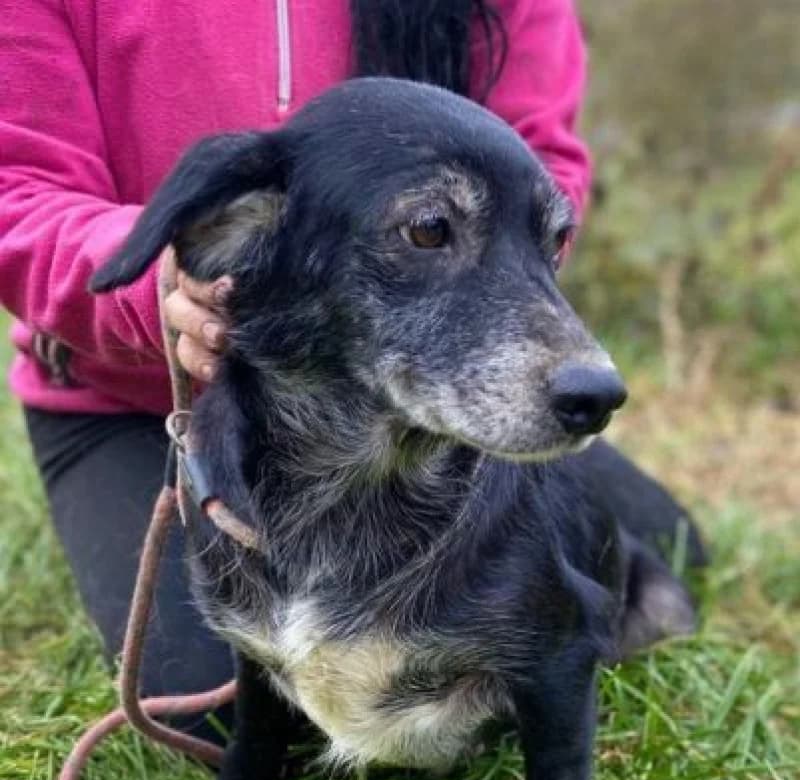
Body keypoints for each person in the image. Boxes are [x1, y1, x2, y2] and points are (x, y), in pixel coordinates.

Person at [0, 0, 591, 739]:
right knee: (220, 711)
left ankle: (553, 444)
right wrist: (156, 281)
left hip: (409, 406)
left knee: (539, 620)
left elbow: (543, 170)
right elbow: (12, 188)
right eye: (431, 226)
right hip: (121, 401)